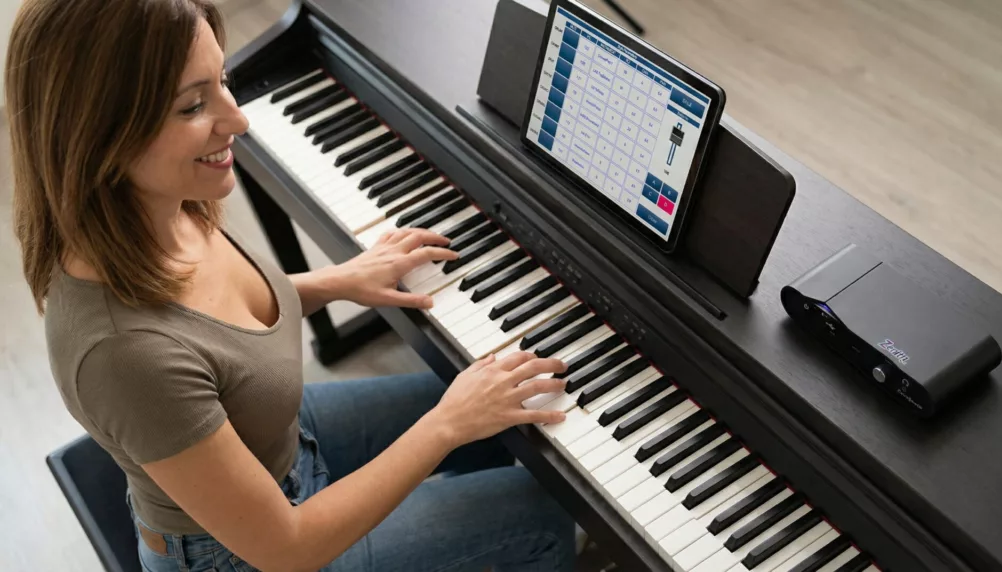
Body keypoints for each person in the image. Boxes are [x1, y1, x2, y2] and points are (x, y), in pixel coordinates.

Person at [5, 0, 578, 570]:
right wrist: (447, 425)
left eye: (222, 80)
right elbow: (289, 547)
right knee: (538, 510)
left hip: (275, 438)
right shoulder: (124, 357)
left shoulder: (152, 207)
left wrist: (340, 280)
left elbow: (216, 329)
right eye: (193, 105)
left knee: (501, 412)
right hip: (246, 554)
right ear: (96, 133)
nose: (238, 118)